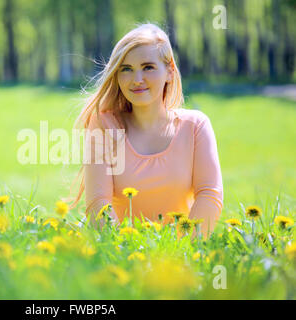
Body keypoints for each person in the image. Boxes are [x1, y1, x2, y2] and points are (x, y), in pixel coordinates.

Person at [68, 23, 223, 238]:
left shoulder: (196, 127)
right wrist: (128, 250)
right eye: (126, 69)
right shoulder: (103, 125)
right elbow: (98, 203)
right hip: (122, 254)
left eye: (148, 67)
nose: (137, 79)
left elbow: (209, 195)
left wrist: (183, 250)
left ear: (169, 71)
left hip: (181, 254)